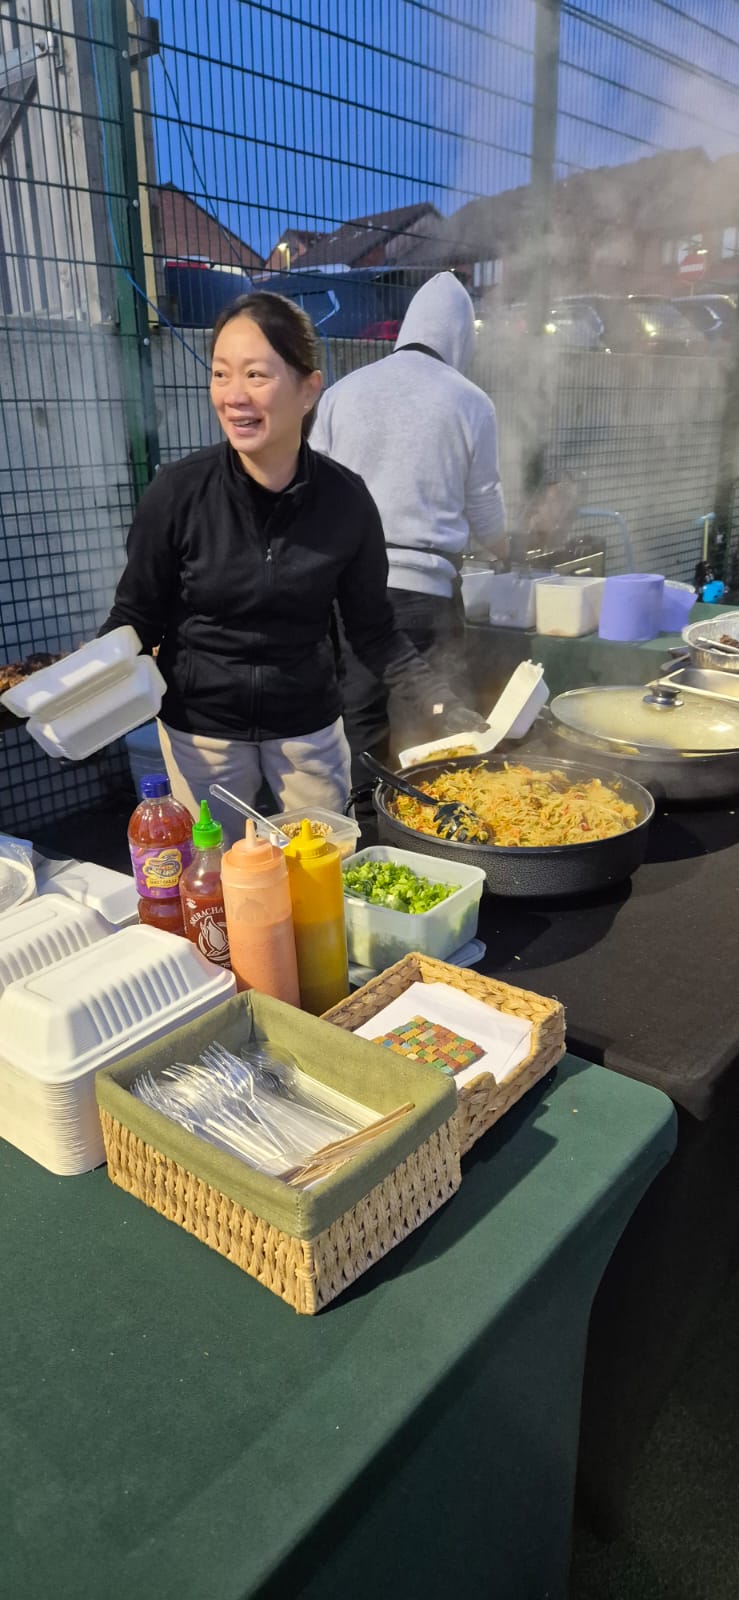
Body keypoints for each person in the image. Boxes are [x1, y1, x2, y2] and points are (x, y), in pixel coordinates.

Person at [99, 291, 486, 831]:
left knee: (325, 861)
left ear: (309, 389)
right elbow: (135, 617)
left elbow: (374, 631)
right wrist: (82, 695)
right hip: (202, 733)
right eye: (220, 374)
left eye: (256, 375)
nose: (234, 396)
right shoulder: (178, 493)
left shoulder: (346, 501)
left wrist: (440, 702)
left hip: (308, 727)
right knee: (219, 870)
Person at [310, 271, 508, 771]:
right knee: (434, 735)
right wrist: (507, 551)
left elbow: (314, 491)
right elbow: (485, 507)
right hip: (427, 599)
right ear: (461, 337)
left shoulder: (343, 392)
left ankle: (362, 817)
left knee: (361, 728)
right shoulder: (471, 402)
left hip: (350, 594)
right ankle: (433, 818)